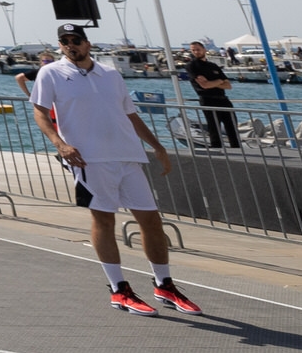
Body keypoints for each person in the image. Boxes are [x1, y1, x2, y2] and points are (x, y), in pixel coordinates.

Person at [30, 24, 200, 317]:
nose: (71, 45)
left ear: (88, 43)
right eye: (65, 41)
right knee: (104, 220)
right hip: (88, 160)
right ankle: (119, 289)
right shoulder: (52, 73)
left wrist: (157, 146)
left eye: (76, 40)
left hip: (127, 156)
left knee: (151, 220)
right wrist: (60, 144)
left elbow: (130, 113)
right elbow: (40, 112)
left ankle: (164, 285)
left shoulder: (110, 74)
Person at [180, 41, 238, 148]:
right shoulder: (192, 66)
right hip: (208, 100)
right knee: (214, 128)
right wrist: (220, 81)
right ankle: (217, 151)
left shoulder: (213, 66)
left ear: (204, 49)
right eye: (193, 50)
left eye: (198, 49)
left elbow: (228, 86)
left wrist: (215, 82)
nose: (196, 52)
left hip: (223, 100)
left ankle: (237, 150)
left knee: (232, 127)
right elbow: (205, 85)